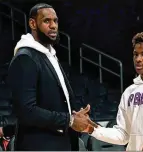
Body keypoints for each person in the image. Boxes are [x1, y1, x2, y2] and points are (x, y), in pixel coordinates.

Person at [7, 3, 95, 151]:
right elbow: (26, 111)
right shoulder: (25, 58)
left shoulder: (49, 55)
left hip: (61, 144)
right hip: (40, 146)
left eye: (55, 21)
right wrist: (69, 120)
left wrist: (74, 114)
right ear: (33, 23)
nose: (53, 25)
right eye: (47, 21)